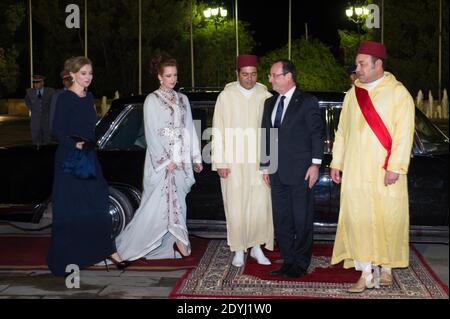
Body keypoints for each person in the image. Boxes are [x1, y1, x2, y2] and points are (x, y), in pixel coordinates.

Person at [330, 41, 415, 293]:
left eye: (362, 64)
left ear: (378, 65)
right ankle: (366, 273)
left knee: (386, 219)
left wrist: (396, 166)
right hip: (356, 171)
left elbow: (404, 134)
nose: (357, 69)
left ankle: (386, 267)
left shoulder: (399, 93)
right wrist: (337, 161)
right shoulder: (352, 95)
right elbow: (342, 132)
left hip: (384, 170)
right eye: (357, 64)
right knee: (358, 219)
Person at [115, 54, 203, 260]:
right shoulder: (152, 100)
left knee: (178, 203)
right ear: (159, 77)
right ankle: (176, 244)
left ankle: (174, 242)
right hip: (162, 163)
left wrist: (195, 157)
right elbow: (151, 133)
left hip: (181, 159)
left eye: (175, 75)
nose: (173, 79)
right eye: (168, 75)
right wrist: (165, 161)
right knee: (155, 208)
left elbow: (189, 128)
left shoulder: (183, 99)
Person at [47, 56, 128, 276]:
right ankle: (69, 257)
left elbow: (91, 129)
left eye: (90, 73)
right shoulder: (64, 98)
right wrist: (75, 144)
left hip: (89, 158)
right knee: (71, 208)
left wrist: (93, 144)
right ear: (72, 74)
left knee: (98, 203)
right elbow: (57, 130)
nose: (88, 78)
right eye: (83, 73)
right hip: (69, 159)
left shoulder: (89, 97)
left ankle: (106, 250)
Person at [260, 59, 323, 278]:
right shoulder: (269, 103)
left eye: (274, 75)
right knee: (282, 219)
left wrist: (315, 164)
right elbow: (266, 135)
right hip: (276, 172)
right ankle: (288, 260)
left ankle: (300, 263)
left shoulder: (307, 101)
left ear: (288, 77)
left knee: (301, 219)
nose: (270, 79)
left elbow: (317, 133)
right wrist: (265, 166)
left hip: (300, 172)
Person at [211, 54, 274, 267]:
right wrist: (220, 162)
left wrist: (270, 164)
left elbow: (270, 132)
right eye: (245, 74)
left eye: (253, 74)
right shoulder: (226, 96)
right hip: (233, 161)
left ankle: (256, 248)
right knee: (236, 205)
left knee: (260, 205)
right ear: (237, 74)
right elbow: (217, 130)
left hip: (258, 162)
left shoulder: (265, 95)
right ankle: (238, 249)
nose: (249, 78)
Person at [24, 75, 55, 147]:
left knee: (47, 139)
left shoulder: (50, 91)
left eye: (38, 82)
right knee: (36, 139)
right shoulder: (29, 92)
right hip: (35, 120)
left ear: (42, 82)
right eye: (34, 83)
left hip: (47, 119)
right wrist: (32, 108)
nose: (35, 84)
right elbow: (27, 100)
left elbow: (53, 102)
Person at [49, 70, 73, 134]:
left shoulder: (78, 94)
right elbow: (52, 112)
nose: (68, 82)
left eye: (69, 80)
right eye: (66, 80)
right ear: (63, 82)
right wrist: (52, 128)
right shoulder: (57, 95)